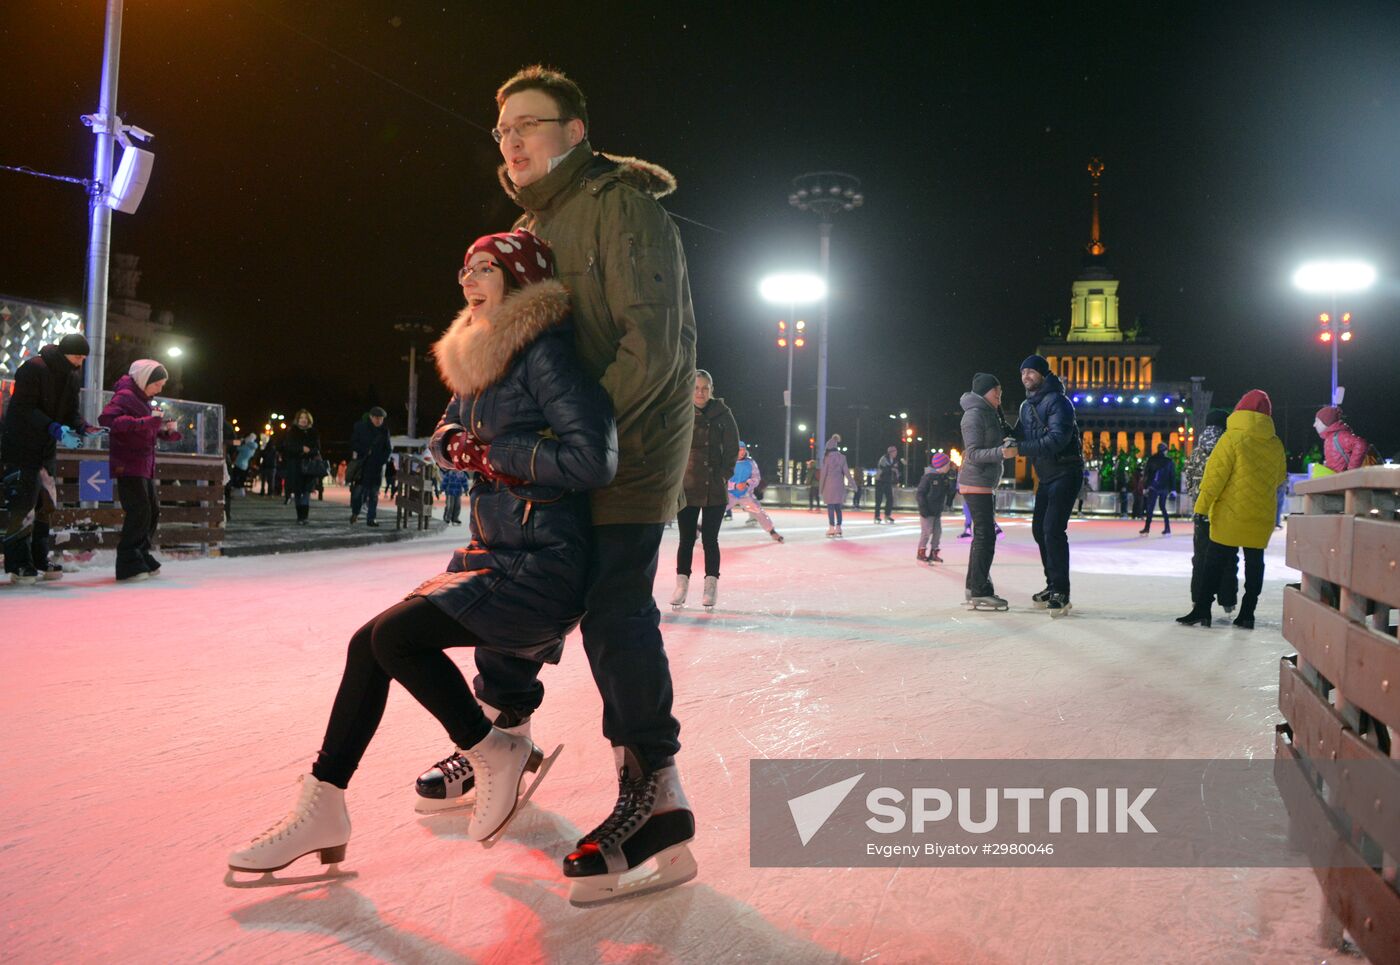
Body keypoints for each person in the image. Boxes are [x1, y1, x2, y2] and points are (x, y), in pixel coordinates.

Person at [228, 228, 617, 877]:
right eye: (464, 267)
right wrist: (454, 446)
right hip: (494, 551)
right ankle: (326, 799)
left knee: (398, 640)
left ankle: (491, 749)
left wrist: (492, 454)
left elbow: (593, 457)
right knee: (368, 641)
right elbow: (445, 431)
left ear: (520, 278)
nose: (468, 278)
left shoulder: (543, 353)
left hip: (544, 561)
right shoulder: (478, 352)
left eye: (485, 267)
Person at [490, 66, 697, 904]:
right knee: (518, 577)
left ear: (575, 130)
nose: (511, 141)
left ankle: (659, 799)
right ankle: (501, 735)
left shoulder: (621, 207)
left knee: (613, 609)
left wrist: (569, 440)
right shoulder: (527, 227)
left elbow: (653, 345)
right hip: (566, 451)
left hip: (630, 447)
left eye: (527, 125)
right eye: (501, 130)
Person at [1176, 390, 1286, 630]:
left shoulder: (1231, 439)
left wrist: (1202, 507)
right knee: (1254, 563)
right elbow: (1279, 478)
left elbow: (1214, 478)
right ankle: (1247, 613)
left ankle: (1202, 609)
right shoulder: (1275, 443)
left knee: (1213, 562)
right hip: (1261, 515)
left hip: (1230, 515)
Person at [1, 333, 95, 583]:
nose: (80, 362)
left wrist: (82, 426)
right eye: (77, 356)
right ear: (64, 353)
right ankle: (19, 563)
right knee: (22, 504)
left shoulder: (71, 377)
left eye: (83, 358)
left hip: (45, 451)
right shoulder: (33, 368)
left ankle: (39, 557)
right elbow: (22, 408)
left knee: (45, 504)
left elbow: (70, 412)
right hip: (20, 447)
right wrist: (53, 426)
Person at [98, 360, 181, 581]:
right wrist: (146, 422)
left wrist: (165, 431)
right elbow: (108, 420)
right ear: (145, 380)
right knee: (139, 510)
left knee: (151, 510)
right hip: (128, 462)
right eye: (157, 384)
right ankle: (128, 561)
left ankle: (141, 554)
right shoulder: (125, 396)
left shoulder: (145, 401)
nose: (160, 389)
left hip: (144, 464)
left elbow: (145, 429)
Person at [1011, 354, 1082, 615]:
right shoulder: (1025, 406)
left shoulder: (1059, 402)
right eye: (1022, 373)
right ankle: (1052, 584)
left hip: (1066, 471)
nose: (1026, 376)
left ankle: (1061, 591)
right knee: (1039, 530)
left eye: (1031, 372)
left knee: (1052, 529)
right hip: (1046, 475)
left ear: (1043, 374)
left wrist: (1018, 448)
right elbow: (1017, 435)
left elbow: (1057, 440)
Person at [672, 370, 738, 610]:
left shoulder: (723, 414)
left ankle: (711, 585)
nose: (700, 392)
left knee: (710, 539)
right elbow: (672, 446)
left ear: (711, 390)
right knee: (686, 539)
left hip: (714, 487)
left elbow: (732, 447)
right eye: (696, 388)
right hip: (687, 485)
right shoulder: (681, 411)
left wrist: (724, 474)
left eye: (705, 388)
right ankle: (681, 584)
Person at [959, 373, 1016, 611]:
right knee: (985, 536)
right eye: (996, 394)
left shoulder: (989, 413)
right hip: (975, 483)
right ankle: (980, 588)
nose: (999, 399)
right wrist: (1001, 453)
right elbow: (972, 453)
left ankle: (974, 586)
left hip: (983, 483)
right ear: (984, 393)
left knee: (983, 536)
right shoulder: (973, 416)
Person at [1179, 408, 1238, 618]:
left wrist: (1197, 501)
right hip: (1226, 513)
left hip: (1202, 512)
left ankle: (1198, 601)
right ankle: (1228, 600)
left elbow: (1188, 478)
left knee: (1201, 558)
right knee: (1228, 558)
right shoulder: (1230, 446)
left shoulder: (1197, 449)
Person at [727, 442, 784, 547]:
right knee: (715, 512)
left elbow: (756, 478)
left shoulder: (751, 463)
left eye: (743, 449)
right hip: (729, 494)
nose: (742, 452)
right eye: (739, 449)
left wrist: (747, 484)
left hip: (745, 495)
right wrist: (734, 486)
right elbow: (722, 479)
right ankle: (699, 529)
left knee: (758, 511)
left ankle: (772, 531)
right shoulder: (728, 462)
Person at [349, 406, 391, 527]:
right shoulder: (361, 427)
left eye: (381, 418)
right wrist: (365, 451)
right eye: (376, 418)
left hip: (376, 467)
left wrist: (382, 460)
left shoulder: (384, 431)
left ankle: (371, 518)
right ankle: (355, 513)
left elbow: (387, 448)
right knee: (358, 493)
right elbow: (353, 443)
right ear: (371, 417)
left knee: (374, 494)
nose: (379, 420)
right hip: (362, 466)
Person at [280, 410, 321, 525]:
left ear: (309, 420)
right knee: (298, 491)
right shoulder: (292, 432)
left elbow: (317, 449)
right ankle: (300, 517)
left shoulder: (313, 432)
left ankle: (305, 516)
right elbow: (287, 448)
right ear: (297, 420)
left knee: (307, 491)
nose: (303, 420)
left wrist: (309, 451)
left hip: (309, 466)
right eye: (301, 418)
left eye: (305, 418)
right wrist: (301, 449)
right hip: (295, 465)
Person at [915, 452, 954, 562]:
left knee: (937, 532)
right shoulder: (928, 478)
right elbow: (920, 493)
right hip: (927, 511)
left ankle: (934, 552)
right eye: (947, 465)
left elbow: (950, 492)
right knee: (926, 532)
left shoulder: (943, 478)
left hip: (937, 511)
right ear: (941, 466)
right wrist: (923, 508)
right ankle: (921, 552)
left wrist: (951, 480)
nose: (949, 467)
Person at [1314, 406, 1372, 473]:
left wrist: (1352, 470)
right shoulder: (1329, 438)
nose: (1314, 425)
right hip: (1337, 480)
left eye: (1317, 421)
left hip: (1343, 481)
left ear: (1326, 421)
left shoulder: (1340, 436)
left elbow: (1361, 444)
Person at [820, 434, 852, 537]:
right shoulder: (842, 457)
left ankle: (831, 528)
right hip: (839, 485)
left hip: (829, 486)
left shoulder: (826, 458)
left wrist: (820, 489)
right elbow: (847, 473)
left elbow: (823, 474)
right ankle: (839, 527)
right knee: (838, 507)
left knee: (830, 507)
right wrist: (853, 484)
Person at [1140, 443, 1175, 535]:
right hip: (1164, 488)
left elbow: (1146, 474)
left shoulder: (1151, 459)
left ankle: (1147, 528)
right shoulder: (1169, 461)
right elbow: (1172, 476)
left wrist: (1145, 487)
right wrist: (1173, 489)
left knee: (1150, 508)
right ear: (1165, 450)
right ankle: (1167, 528)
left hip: (1153, 487)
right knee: (1163, 507)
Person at [873, 445, 902, 523]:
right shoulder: (884, 458)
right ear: (890, 452)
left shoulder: (894, 460)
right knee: (879, 499)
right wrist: (892, 468)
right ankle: (877, 516)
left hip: (888, 481)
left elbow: (895, 471)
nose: (896, 453)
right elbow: (883, 469)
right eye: (894, 451)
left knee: (890, 498)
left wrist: (896, 479)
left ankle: (887, 515)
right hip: (880, 481)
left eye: (896, 451)